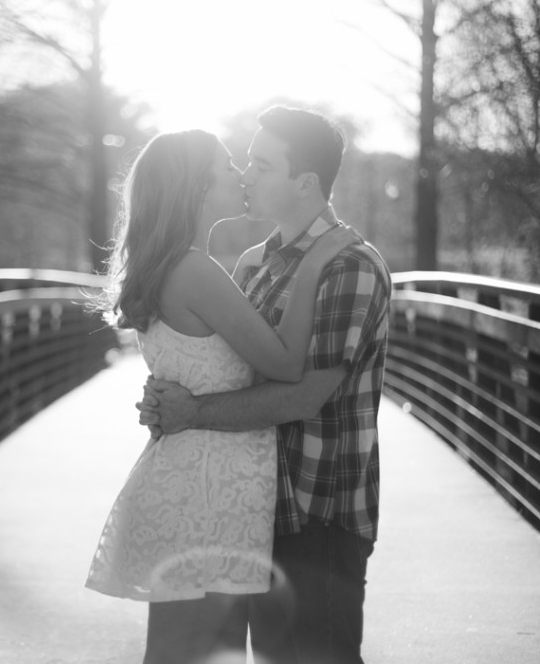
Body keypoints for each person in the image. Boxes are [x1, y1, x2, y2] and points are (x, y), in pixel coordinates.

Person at [84, 128, 359, 664]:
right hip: (204, 494)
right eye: (227, 167)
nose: (240, 175)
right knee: (185, 656)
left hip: (207, 486)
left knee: (198, 654)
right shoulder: (194, 270)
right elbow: (283, 364)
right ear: (196, 189)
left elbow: (208, 370)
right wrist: (313, 265)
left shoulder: (184, 266)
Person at [138, 106, 392, 664]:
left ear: (305, 183)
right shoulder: (256, 264)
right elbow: (232, 363)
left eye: (261, 163)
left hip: (316, 510)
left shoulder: (348, 267)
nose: (246, 174)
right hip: (251, 510)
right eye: (243, 162)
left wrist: (190, 410)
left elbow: (304, 396)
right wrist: (170, 390)